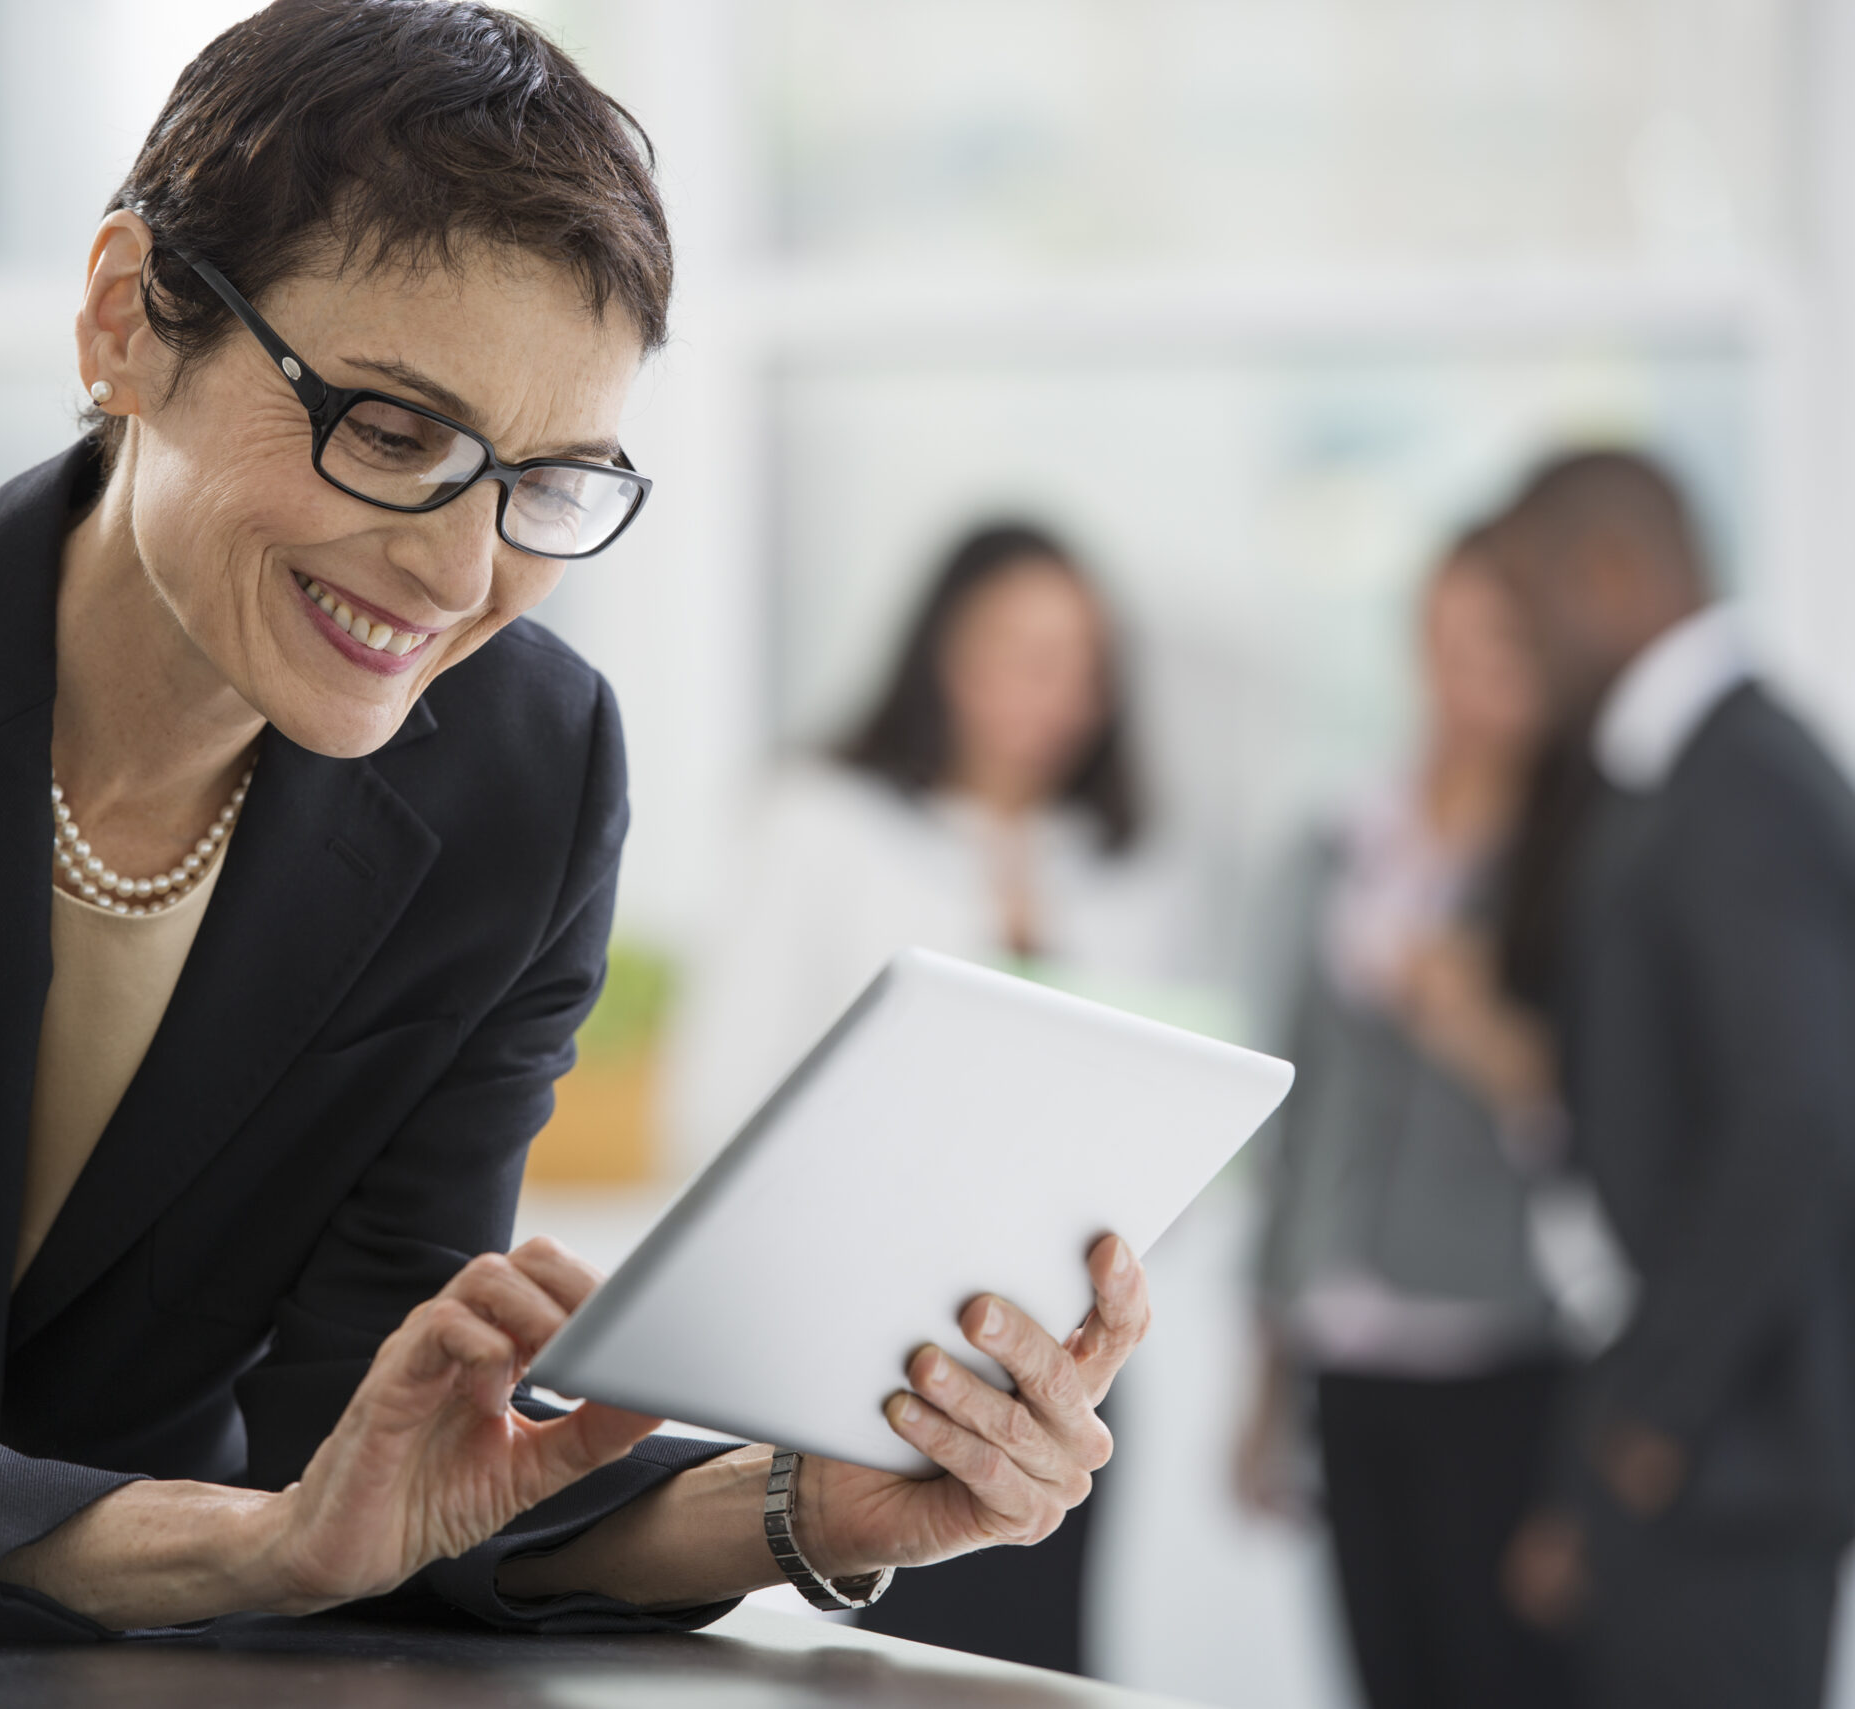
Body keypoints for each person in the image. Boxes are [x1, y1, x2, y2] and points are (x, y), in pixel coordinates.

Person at [0, 1, 1150, 1643]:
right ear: (127, 316)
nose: (458, 566)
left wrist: (800, 1501)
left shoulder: (522, 769)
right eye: (389, 426)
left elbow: (379, 1449)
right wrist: (252, 1554)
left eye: (548, 480)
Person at [669, 523, 1184, 1672]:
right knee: (868, 1667)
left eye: (1079, 662)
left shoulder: (1116, 865)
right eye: (1018, 651)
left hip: (1063, 1370)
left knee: (1040, 1668)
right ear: (940, 655)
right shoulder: (816, 820)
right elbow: (717, 1099)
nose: (1053, 693)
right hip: (866, 1362)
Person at [1486, 451, 1855, 1709]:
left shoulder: (1738, 773)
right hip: (1690, 1432)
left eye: (1528, 600)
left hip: (1727, 1445)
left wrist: (1658, 1412)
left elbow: (1801, 1106)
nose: (1517, 639)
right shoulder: (1684, 770)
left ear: (1611, 574)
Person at [1236, 532, 1573, 1709]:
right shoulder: (1342, 838)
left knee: (1500, 1673)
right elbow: (1287, 1115)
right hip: (1345, 1342)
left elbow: (1591, 1110)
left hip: (1509, 1347)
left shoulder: (1568, 855)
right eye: (1446, 637)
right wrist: (1265, 1388)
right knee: (1383, 1673)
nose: (1466, 674)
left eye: (1500, 645)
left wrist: (1469, 1014)